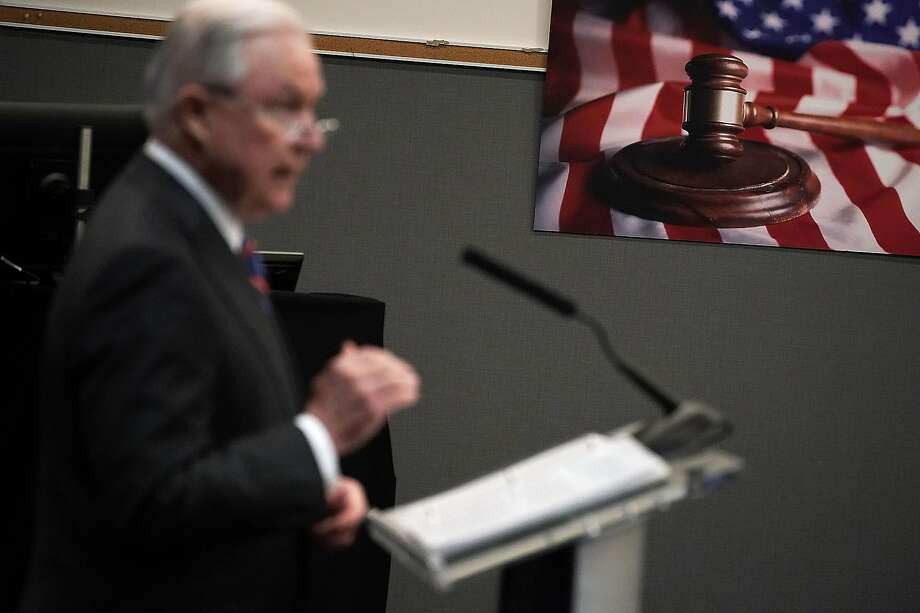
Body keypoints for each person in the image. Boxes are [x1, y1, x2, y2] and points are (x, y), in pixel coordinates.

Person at [17, 1, 420, 612]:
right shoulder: (147, 258)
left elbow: (208, 444)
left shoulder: (202, 233)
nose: (311, 138)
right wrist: (319, 434)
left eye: (315, 110)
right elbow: (155, 501)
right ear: (199, 114)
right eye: (287, 108)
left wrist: (303, 486)